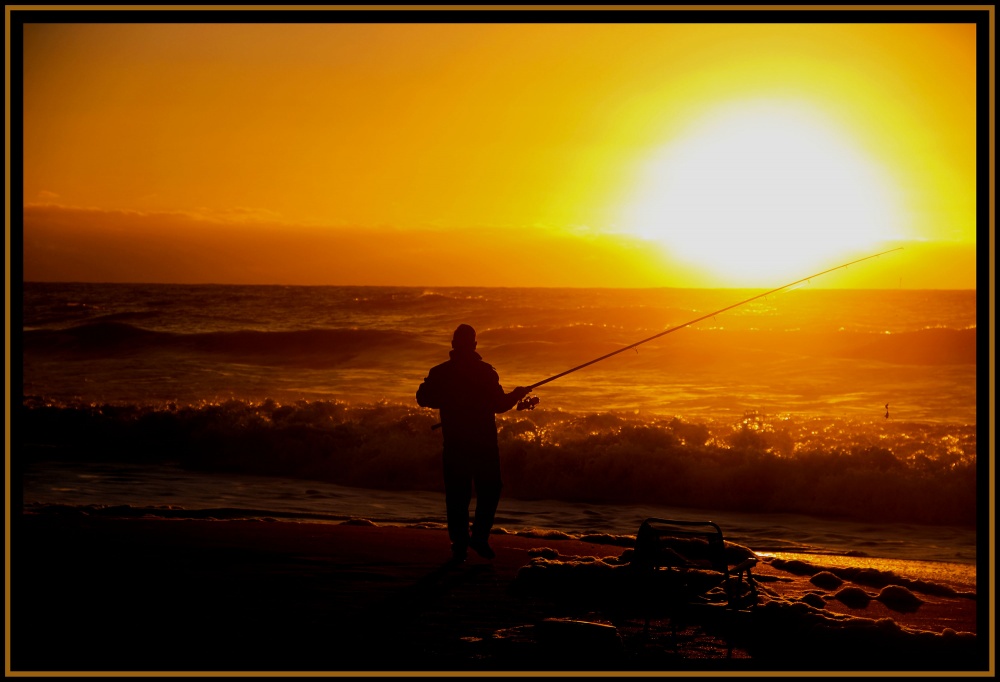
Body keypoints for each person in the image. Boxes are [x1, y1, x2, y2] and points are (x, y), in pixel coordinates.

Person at [416, 324, 531, 562]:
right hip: (484, 444)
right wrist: (517, 394)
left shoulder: (440, 372)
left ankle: (459, 543)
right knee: (490, 490)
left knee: (458, 494)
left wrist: (446, 398)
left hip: (455, 443)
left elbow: (422, 398)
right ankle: (478, 537)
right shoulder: (486, 373)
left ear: (453, 345)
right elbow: (500, 405)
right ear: (475, 345)